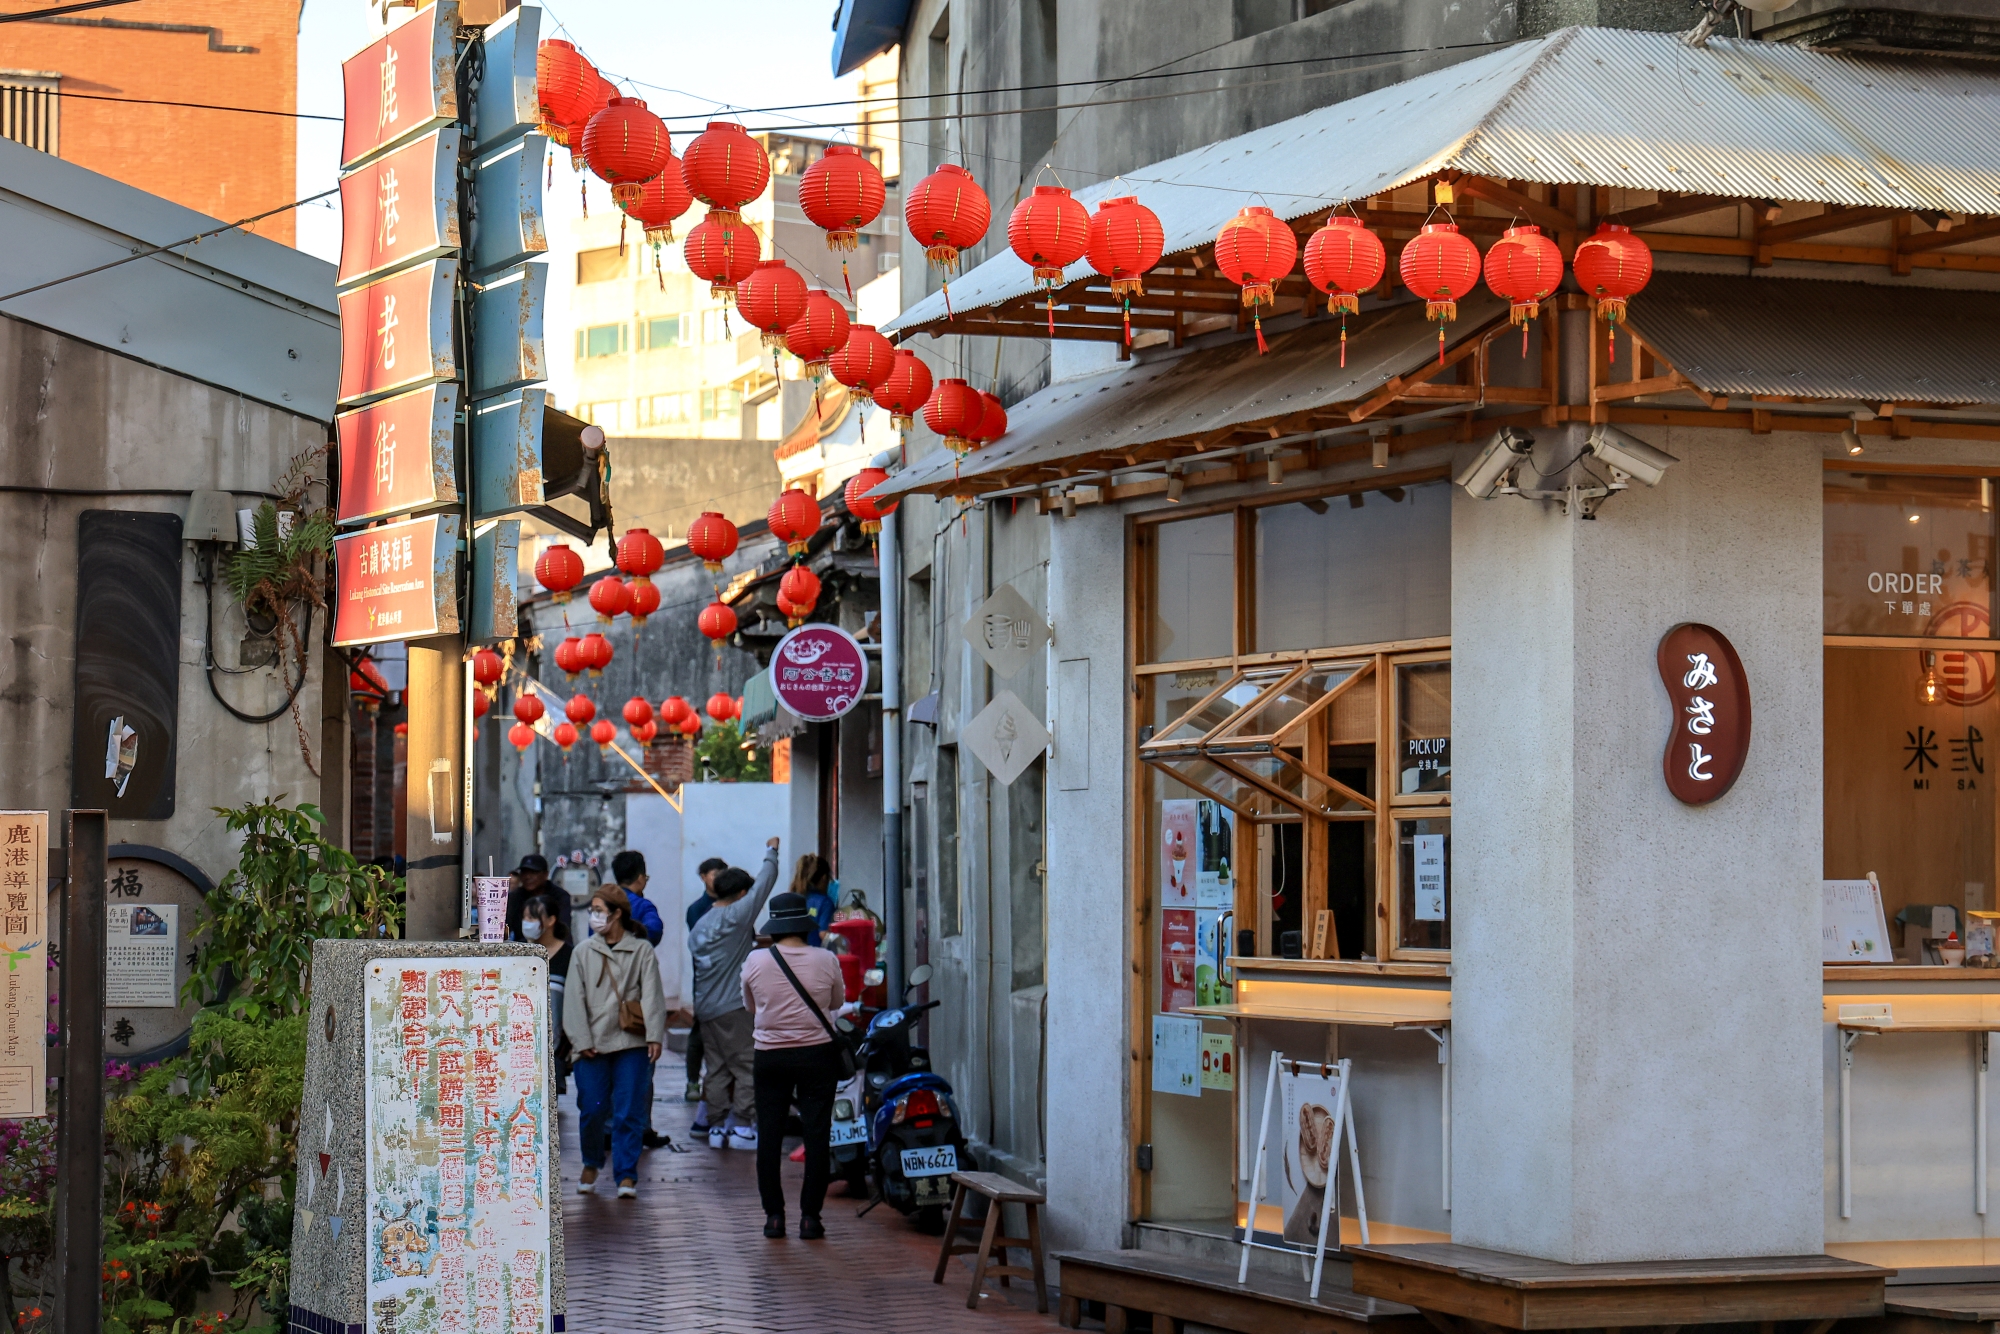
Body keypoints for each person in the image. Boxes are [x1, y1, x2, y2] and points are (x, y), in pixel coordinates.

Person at [741, 891, 849, 1240]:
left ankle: (774, 1216)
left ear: (774, 926)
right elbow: (836, 1002)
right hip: (818, 1055)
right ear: (805, 925)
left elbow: (750, 1007)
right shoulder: (826, 958)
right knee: (817, 1134)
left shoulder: (756, 961)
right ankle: (810, 1218)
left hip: (770, 1056)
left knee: (769, 1136)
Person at [563, 886, 666, 1199]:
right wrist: (581, 1040)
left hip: (631, 1042)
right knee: (592, 1109)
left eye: (599, 909)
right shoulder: (583, 951)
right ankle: (592, 1162)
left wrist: (654, 1036)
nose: (594, 915)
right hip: (591, 1045)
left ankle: (626, 1174)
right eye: (592, 909)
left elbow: (652, 995)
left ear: (617, 912)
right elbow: (573, 999)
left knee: (628, 1111)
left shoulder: (642, 951)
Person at [686, 837, 781, 1148]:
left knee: (716, 1069)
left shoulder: (701, 925)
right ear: (740, 894)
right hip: (732, 1007)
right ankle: (741, 1126)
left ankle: (715, 1128)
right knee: (746, 1063)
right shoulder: (736, 917)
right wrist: (771, 852)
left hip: (705, 1008)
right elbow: (764, 885)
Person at [683, 856, 729, 1103]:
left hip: (731, 979)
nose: (719, 878)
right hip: (706, 978)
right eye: (714, 874)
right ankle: (692, 1081)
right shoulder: (697, 909)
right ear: (703, 877)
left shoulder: (735, 905)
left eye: (723, 873)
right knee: (700, 1030)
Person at [523, 893, 572, 1095]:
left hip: (556, 1049)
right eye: (525, 917)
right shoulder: (518, 953)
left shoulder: (569, 955)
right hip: (523, 1047)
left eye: (533, 918)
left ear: (551, 920)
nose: (528, 923)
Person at [611, 850, 665, 947]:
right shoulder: (643, 906)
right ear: (641, 879)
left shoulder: (602, 903)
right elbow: (654, 930)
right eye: (646, 878)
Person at [787, 854, 837, 947]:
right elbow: (824, 934)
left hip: (790, 955)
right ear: (824, 878)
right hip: (817, 957)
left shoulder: (791, 899)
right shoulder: (825, 902)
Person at [505, 853, 550, 943]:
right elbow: (506, 927)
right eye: (524, 872)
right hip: (521, 949)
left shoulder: (559, 896)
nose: (528, 877)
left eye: (533, 872)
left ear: (545, 874)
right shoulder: (514, 897)